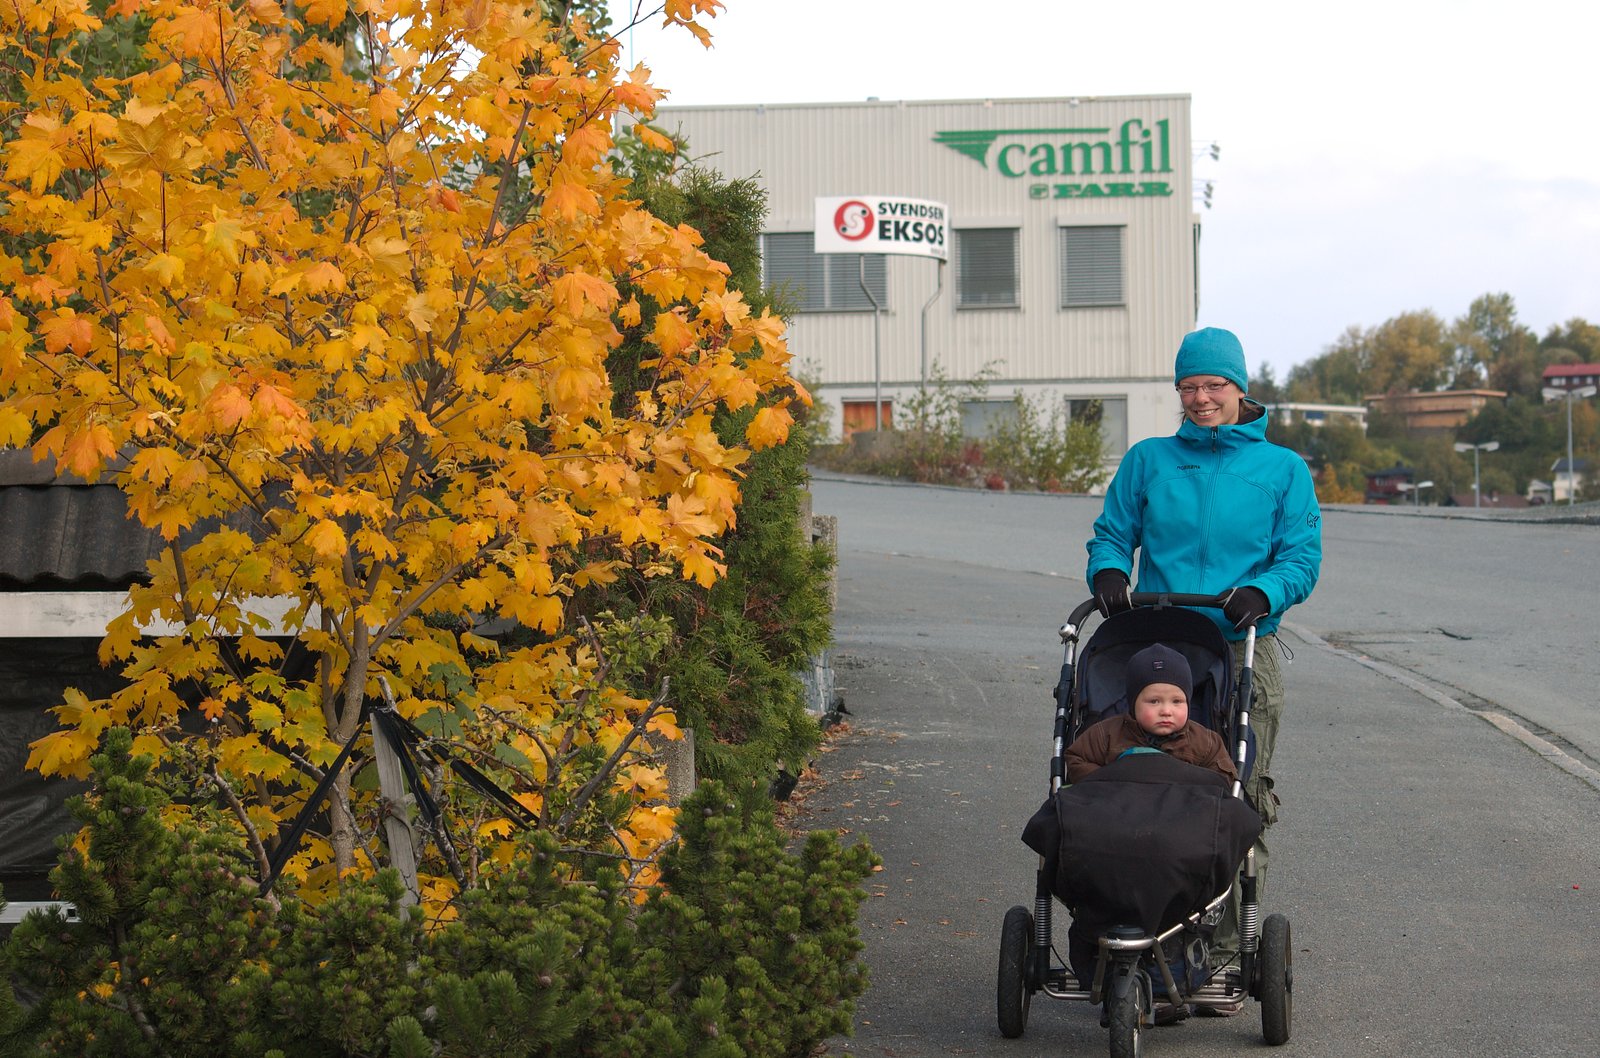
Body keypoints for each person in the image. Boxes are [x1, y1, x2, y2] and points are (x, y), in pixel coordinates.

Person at [1084, 325, 1322, 1012]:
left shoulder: (1282, 470)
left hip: (1242, 645)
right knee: (1135, 781)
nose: (1200, 398)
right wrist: (1108, 572)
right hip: (1158, 647)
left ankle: (1214, 956)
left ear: (1240, 388)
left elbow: (1301, 557)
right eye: (1188, 387)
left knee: (1234, 795)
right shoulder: (1149, 460)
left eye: (1214, 385)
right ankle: (1128, 931)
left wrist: (1265, 592)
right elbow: (1112, 533)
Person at [1065, 643, 1236, 785]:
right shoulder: (1107, 734)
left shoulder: (1204, 741)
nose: (1166, 711)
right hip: (1120, 806)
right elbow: (1077, 759)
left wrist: (1189, 783)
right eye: (1154, 701)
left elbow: (1224, 777)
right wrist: (1110, 780)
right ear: (1133, 704)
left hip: (1182, 809)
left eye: (1177, 701)